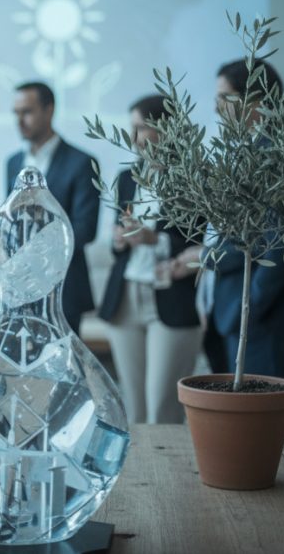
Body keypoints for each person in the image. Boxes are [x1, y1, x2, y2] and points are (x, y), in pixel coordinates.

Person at [202, 58, 284, 425]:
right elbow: (247, 238)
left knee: (270, 422)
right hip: (246, 312)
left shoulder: (278, 157)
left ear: (256, 102)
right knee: (252, 421)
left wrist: (250, 309)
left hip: (269, 316)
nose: (216, 107)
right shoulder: (251, 150)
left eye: (224, 97)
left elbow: (281, 244)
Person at [99, 94, 203, 424]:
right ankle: (137, 460)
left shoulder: (195, 176)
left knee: (163, 407)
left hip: (171, 297)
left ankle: (167, 461)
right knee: (133, 407)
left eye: (141, 128)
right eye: (131, 128)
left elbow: (205, 244)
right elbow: (117, 245)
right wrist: (120, 239)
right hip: (126, 296)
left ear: (167, 129)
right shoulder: (127, 177)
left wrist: (153, 238)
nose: (133, 138)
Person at [6, 82, 100, 336]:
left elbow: (85, 228)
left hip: (64, 287)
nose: (19, 120)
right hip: (19, 289)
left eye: (27, 112)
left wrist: (37, 255)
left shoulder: (81, 162)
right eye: (16, 113)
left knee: (64, 360)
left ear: (49, 110)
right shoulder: (13, 162)